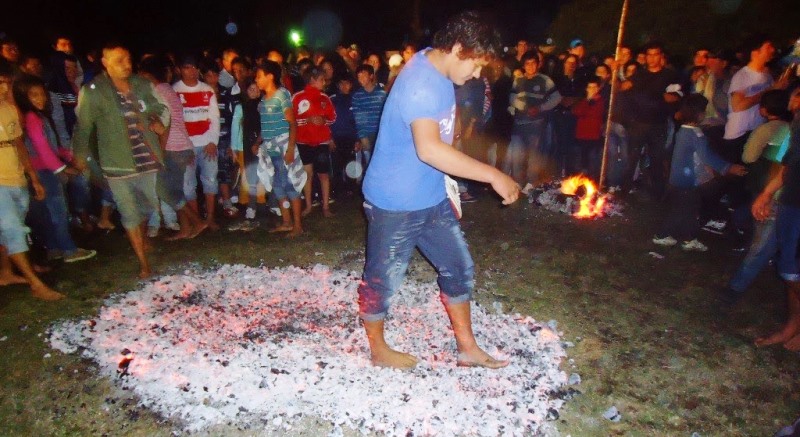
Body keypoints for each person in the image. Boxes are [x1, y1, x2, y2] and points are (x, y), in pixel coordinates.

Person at [357, 11, 520, 369]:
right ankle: (377, 348)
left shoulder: (438, 67)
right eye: (476, 65)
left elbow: (442, 128)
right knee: (383, 277)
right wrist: (492, 174)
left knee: (459, 268)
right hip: (395, 201)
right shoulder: (420, 81)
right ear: (458, 47)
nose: (477, 74)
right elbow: (428, 149)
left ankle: (467, 348)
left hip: (431, 196)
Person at [72, 43, 169, 279]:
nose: (126, 65)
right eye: (119, 60)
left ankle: (142, 239)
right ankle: (143, 264)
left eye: (127, 59)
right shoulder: (94, 90)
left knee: (147, 207)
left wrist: (159, 121)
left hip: (147, 158)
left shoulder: (142, 84)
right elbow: (83, 126)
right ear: (105, 63)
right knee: (129, 213)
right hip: (117, 163)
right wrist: (80, 157)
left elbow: (162, 106)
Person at [13, 74, 97, 263]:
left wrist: (66, 155)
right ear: (22, 96)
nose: (40, 98)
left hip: (39, 171)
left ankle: (53, 248)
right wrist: (61, 168)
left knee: (47, 213)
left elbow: (49, 145)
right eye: (33, 95)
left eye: (42, 94)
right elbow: (41, 146)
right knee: (58, 211)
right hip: (44, 172)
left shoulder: (34, 116)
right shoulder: (32, 117)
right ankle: (69, 250)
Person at [0, 64, 64, 300]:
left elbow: (19, 144)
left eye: (6, 83)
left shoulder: (8, 110)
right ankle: (36, 284)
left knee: (10, 228)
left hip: (16, 177)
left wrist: (33, 178)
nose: (4, 88)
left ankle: (6, 272)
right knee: (13, 229)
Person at [652, 94, 746, 252]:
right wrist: (728, 167)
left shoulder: (683, 131)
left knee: (686, 210)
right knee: (683, 211)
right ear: (699, 113)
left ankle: (688, 238)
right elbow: (707, 156)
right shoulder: (696, 135)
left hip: (679, 179)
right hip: (686, 181)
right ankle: (663, 235)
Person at [751, 86, 800, 350]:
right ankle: (792, 327)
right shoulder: (796, 125)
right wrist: (766, 194)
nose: (792, 101)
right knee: (790, 270)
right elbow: (789, 165)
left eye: (797, 95)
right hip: (791, 202)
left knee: (792, 272)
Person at [254, 60, 304, 237]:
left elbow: (292, 124)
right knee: (278, 186)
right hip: (271, 149)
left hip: (283, 148)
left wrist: (290, 149)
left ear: (270, 76)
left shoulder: (282, 96)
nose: (256, 80)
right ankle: (287, 222)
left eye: (259, 76)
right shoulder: (264, 99)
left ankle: (297, 225)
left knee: (290, 185)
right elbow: (266, 124)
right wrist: (258, 141)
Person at [173, 55, 221, 231]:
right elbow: (176, 122)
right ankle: (195, 220)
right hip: (186, 147)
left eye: (194, 68)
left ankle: (210, 218)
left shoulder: (207, 90)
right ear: (179, 70)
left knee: (210, 180)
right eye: (187, 67)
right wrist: (185, 147)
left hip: (207, 143)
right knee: (188, 185)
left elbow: (214, 118)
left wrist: (212, 141)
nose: (191, 72)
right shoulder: (175, 91)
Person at [292, 67, 336, 217]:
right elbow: (291, 119)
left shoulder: (325, 98)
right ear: (312, 80)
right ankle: (309, 205)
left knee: (323, 174)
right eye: (322, 80)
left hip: (321, 142)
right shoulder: (298, 97)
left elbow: (333, 117)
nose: (324, 82)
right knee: (307, 174)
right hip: (303, 142)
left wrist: (324, 120)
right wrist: (307, 120)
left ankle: (325, 207)